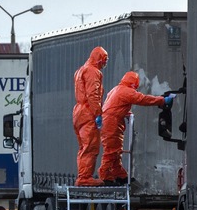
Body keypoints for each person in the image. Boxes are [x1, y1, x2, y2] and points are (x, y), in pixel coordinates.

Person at [98, 71, 174, 185]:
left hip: (110, 122)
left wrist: (126, 113)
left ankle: (119, 175)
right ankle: (105, 177)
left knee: (115, 151)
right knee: (111, 151)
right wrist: (162, 100)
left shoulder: (116, 89)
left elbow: (115, 105)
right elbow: (143, 99)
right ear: (134, 83)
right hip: (112, 123)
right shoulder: (127, 91)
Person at [73, 46, 108, 186]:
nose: (105, 63)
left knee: (83, 147)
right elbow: (93, 95)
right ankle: (85, 177)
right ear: (99, 58)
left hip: (79, 112)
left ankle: (83, 175)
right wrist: (98, 113)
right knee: (91, 146)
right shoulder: (93, 72)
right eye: (104, 60)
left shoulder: (81, 70)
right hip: (88, 112)